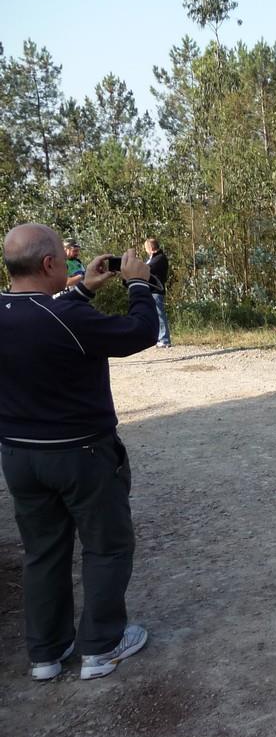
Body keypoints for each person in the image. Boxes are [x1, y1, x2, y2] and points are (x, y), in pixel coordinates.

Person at [1, 224, 157, 681]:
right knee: (106, 547)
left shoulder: (29, 311)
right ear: (50, 263)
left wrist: (84, 289)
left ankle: (46, 654)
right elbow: (140, 332)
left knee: (42, 552)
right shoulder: (65, 319)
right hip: (82, 453)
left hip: (19, 456)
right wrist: (138, 284)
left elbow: (45, 317)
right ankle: (102, 646)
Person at [144, 238, 171, 348]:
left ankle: (164, 339)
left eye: (146, 248)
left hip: (156, 290)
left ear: (150, 247)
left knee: (159, 314)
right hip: (150, 290)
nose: (146, 251)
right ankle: (158, 337)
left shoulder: (159, 258)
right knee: (154, 315)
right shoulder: (153, 258)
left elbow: (148, 268)